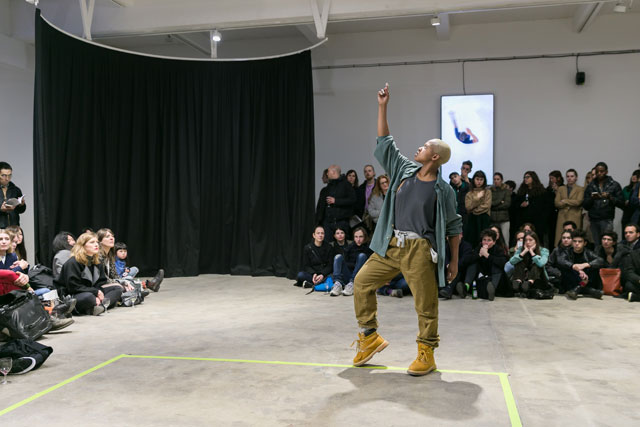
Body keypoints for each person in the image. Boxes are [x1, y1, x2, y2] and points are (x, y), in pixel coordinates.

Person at [351, 82, 462, 376]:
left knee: (425, 305)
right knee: (362, 282)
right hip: (391, 244)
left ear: (434, 157)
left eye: (425, 147)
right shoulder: (403, 169)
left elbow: (454, 228)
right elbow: (384, 140)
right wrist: (383, 105)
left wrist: (454, 260)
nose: (420, 148)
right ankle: (369, 336)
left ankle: (426, 353)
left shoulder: (443, 190)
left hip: (420, 250)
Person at [56, 232, 122, 315]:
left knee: (117, 288)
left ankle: (98, 306)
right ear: (82, 246)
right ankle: (99, 305)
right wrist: (95, 293)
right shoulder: (73, 262)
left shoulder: (97, 262)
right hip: (74, 294)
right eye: (92, 242)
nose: (96, 245)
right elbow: (73, 287)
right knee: (88, 297)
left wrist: (98, 292)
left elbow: (101, 283)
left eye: (97, 242)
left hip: (91, 292)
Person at [457, 228, 505, 301]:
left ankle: (492, 289)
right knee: (473, 263)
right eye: (484, 240)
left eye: (489, 240)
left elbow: (502, 262)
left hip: (494, 275)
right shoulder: (479, 247)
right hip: (481, 274)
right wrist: (479, 255)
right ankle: (466, 287)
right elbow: (467, 260)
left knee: (496, 266)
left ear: (494, 242)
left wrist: (487, 255)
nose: (486, 242)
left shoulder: (498, 249)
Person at [583, 162, 624, 245]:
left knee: (607, 244)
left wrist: (610, 197)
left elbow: (622, 203)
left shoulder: (614, 185)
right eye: (597, 171)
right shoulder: (590, 185)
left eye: (601, 171)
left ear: (606, 172)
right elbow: (585, 205)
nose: (599, 173)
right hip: (594, 219)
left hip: (607, 219)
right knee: (597, 245)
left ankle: (609, 258)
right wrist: (592, 199)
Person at [557, 230, 604, 299]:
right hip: (572, 280)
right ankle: (589, 290)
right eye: (574, 241)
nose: (577, 243)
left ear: (584, 243)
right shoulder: (567, 252)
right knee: (566, 269)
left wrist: (586, 264)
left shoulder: (588, 252)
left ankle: (578, 289)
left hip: (586, 279)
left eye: (580, 241)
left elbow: (600, 260)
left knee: (594, 267)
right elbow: (561, 260)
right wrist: (574, 267)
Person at [315, 165, 356, 242]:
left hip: (341, 222)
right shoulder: (328, 187)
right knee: (328, 245)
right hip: (328, 222)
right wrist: (319, 221)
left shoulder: (346, 184)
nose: (327, 174)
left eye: (328, 172)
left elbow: (352, 200)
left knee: (342, 245)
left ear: (333, 172)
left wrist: (336, 201)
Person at [331, 227, 372, 296]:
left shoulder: (369, 248)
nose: (358, 239)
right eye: (356, 237)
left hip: (361, 277)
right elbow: (345, 263)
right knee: (338, 257)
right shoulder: (350, 247)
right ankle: (338, 283)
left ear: (365, 237)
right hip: (349, 275)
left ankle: (352, 284)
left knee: (362, 256)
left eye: (360, 237)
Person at [508, 231, 550, 297]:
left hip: (539, 279)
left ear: (536, 241)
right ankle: (517, 282)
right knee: (519, 262)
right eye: (526, 240)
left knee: (536, 264)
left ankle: (529, 283)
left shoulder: (544, 250)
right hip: (523, 277)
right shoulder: (520, 249)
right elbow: (512, 261)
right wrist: (524, 252)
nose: (528, 242)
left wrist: (532, 253)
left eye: (530, 240)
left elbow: (541, 264)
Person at [513, 171, 549, 242]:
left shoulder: (541, 191)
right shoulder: (521, 191)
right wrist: (521, 205)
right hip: (524, 220)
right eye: (524, 177)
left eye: (528, 177)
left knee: (538, 239)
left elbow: (545, 207)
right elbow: (515, 204)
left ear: (533, 178)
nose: (525, 179)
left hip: (537, 221)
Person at [438, 233, 473, 299]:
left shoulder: (467, 246)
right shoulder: (445, 246)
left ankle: (449, 289)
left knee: (458, 270)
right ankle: (447, 289)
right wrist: (448, 265)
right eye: (449, 236)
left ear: (461, 235)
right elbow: (444, 258)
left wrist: (453, 266)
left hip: (462, 271)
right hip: (450, 272)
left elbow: (464, 261)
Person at [464, 171, 491, 247]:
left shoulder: (487, 192)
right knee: (472, 240)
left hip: (484, 219)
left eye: (481, 179)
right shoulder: (469, 194)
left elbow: (486, 206)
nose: (479, 182)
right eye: (477, 179)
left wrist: (474, 209)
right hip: (472, 220)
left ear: (484, 180)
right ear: (474, 180)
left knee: (484, 239)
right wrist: (477, 198)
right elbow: (468, 207)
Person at [0, 162, 26, 229]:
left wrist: (21, 204)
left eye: (9, 175)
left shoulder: (15, 189)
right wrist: (1, 210)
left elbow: (21, 210)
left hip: (13, 228)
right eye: (4, 175)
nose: (7, 178)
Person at [490, 173, 511, 245]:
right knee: (492, 239)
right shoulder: (490, 191)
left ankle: (506, 254)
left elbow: (507, 204)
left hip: (504, 219)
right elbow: (489, 204)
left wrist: (494, 205)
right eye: (494, 179)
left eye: (498, 179)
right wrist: (500, 201)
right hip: (492, 219)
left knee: (505, 239)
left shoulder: (506, 190)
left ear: (501, 180)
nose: (496, 181)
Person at [545, 171, 564, 247]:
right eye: (550, 178)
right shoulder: (548, 189)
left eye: (552, 178)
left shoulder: (563, 188)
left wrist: (557, 191)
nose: (551, 180)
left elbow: (563, 200)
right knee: (550, 236)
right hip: (550, 215)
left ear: (558, 178)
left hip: (560, 214)